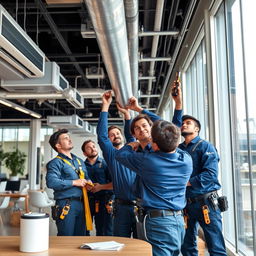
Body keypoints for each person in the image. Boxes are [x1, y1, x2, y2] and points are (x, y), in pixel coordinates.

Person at [115, 120, 193, 256]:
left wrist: (130, 145)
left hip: (158, 223)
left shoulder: (148, 161)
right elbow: (170, 145)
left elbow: (120, 155)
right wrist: (158, 140)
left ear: (155, 145)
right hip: (178, 220)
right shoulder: (186, 159)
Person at [179, 115, 227, 256]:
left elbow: (210, 174)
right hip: (186, 204)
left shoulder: (205, 146)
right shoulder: (179, 149)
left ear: (197, 129)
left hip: (206, 203)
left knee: (215, 246)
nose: (184, 125)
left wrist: (186, 182)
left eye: (188, 123)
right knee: (187, 246)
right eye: (182, 123)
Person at [97, 90, 137, 238]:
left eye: (117, 133)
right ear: (109, 139)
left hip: (141, 205)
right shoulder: (111, 154)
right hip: (121, 207)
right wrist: (105, 106)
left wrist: (127, 115)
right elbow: (101, 136)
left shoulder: (132, 149)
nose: (116, 135)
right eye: (112, 135)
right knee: (121, 243)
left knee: (142, 245)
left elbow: (130, 134)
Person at [46, 129, 92, 236]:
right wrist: (74, 182)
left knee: (81, 238)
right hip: (66, 205)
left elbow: (86, 177)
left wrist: (89, 182)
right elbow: (51, 182)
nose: (69, 139)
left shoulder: (79, 161)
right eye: (65, 138)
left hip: (82, 203)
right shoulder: (55, 163)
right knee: (66, 238)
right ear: (58, 145)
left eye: (69, 137)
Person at [81, 139, 114, 236]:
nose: (92, 149)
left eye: (93, 146)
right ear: (84, 153)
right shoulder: (81, 166)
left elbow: (114, 184)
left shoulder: (106, 164)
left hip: (104, 201)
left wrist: (101, 187)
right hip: (86, 201)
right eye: (88, 148)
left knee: (103, 230)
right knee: (84, 229)